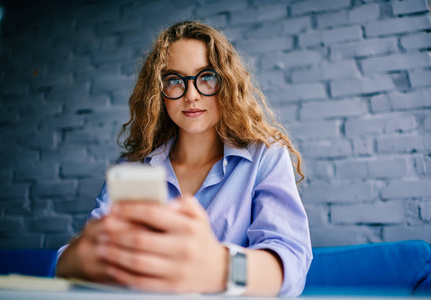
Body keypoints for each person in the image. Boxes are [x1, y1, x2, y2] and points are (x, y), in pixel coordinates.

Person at [56, 21, 312, 297]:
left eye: (206, 77)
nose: (191, 95)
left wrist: (220, 268)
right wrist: (79, 260)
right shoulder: (134, 168)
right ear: (159, 93)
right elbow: (72, 259)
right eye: (175, 80)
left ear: (226, 84)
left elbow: (290, 262)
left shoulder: (265, 157)